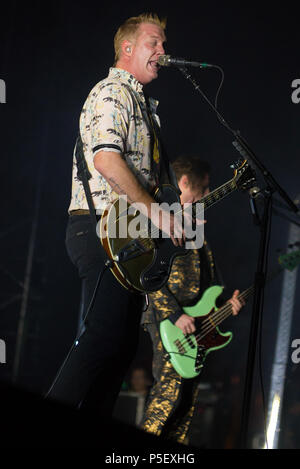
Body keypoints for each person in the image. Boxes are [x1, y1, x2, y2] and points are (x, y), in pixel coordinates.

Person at [47, 13, 182, 418]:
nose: (163, 52)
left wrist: (178, 217)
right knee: (101, 339)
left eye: (163, 44)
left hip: (129, 235)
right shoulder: (111, 93)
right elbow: (107, 160)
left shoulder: (145, 108)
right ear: (127, 49)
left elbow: (153, 187)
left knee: (121, 348)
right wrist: (159, 213)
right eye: (153, 43)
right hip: (101, 228)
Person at [140, 155, 244, 443]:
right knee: (168, 397)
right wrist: (174, 314)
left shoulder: (196, 229)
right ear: (185, 182)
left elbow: (208, 287)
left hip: (196, 328)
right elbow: (148, 274)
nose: (208, 194)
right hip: (167, 321)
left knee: (185, 406)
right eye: (205, 187)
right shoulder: (159, 220)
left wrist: (227, 305)